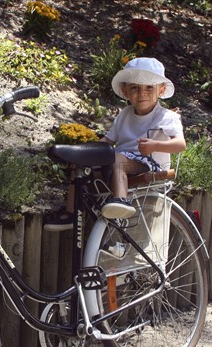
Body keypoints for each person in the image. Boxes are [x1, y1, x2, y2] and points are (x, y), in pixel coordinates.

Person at [45, 57, 185, 231]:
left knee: (117, 159)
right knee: (81, 168)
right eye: (135, 87)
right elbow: (108, 140)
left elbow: (180, 144)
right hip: (121, 161)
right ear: (125, 91)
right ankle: (72, 213)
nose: (142, 93)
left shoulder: (165, 117)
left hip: (150, 163)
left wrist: (156, 145)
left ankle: (120, 200)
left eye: (150, 87)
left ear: (161, 90)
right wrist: (88, 152)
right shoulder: (125, 114)